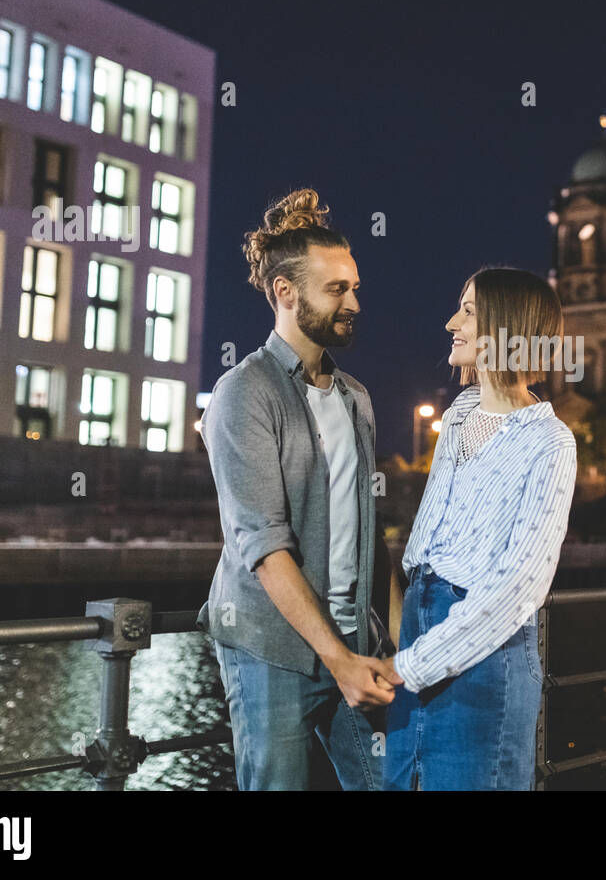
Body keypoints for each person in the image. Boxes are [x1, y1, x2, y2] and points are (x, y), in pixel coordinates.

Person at [197, 188, 403, 790]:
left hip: (357, 647)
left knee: (394, 783)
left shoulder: (356, 398)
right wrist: (335, 659)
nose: (354, 302)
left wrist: (403, 643)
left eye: (355, 286)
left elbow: (372, 531)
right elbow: (262, 545)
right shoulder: (244, 393)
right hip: (274, 653)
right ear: (286, 293)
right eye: (337, 289)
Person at [384, 267, 577, 790]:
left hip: (483, 665)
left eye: (468, 312)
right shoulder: (460, 415)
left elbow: (519, 587)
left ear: (509, 328)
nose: (452, 323)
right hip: (418, 641)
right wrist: (403, 648)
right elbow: (422, 551)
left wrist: (407, 667)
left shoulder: (551, 442)